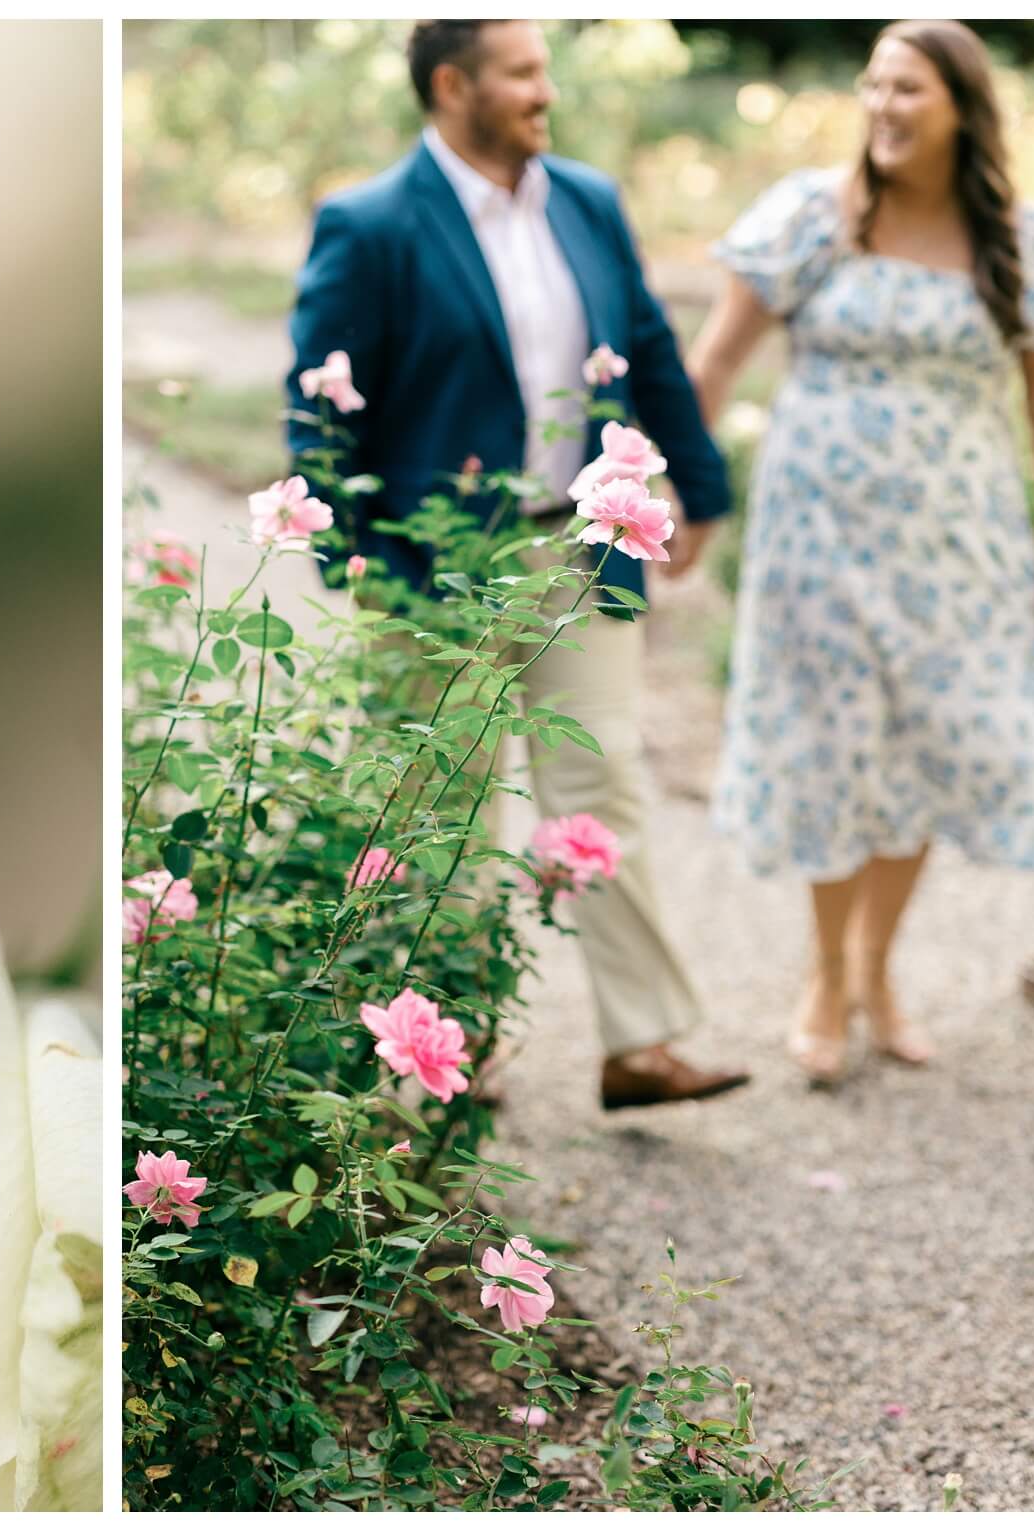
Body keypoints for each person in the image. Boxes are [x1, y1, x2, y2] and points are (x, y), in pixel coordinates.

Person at [286, 19, 748, 1111]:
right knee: (435, 811)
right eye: (521, 72)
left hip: (579, 546)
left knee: (602, 784)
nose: (545, 90)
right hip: (431, 558)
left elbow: (643, 343)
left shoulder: (583, 199)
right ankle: (446, 1051)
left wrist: (701, 481)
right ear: (453, 87)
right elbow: (317, 397)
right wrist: (344, 555)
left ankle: (639, 1043)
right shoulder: (370, 222)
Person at [687, 19, 1034, 1084]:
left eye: (907, 88)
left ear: (961, 108)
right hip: (812, 538)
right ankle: (826, 973)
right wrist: (673, 498)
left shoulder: (1020, 237)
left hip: (959, 542)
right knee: (833, 754)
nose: (882, 106)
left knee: (927, 747)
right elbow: (716, 363)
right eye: (872, 86)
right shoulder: (804, 216)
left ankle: (877, 962)